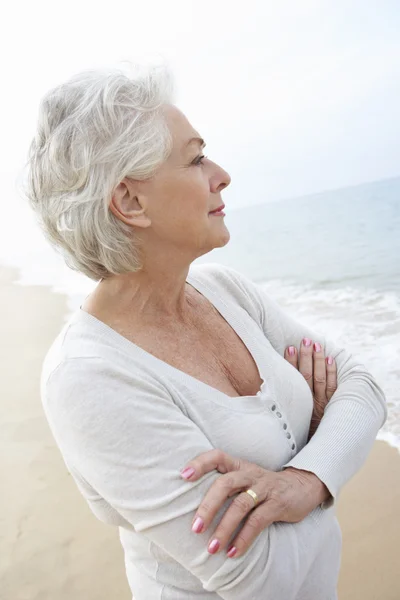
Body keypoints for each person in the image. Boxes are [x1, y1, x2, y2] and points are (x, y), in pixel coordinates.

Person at [23, 62, 387, 600]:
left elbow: (365, 386)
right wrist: (322, 443)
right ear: (129, 202)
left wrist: (302, 482)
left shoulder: (224, 289)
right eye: (195, 158)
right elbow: (258, 577)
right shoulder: (88, 379)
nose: (221, 173)